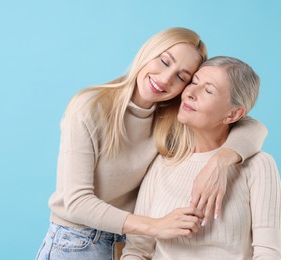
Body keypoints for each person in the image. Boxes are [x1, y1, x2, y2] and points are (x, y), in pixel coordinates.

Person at [35, 28, 268, 260]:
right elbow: (77, 202)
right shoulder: (90, 107)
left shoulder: (171, 119)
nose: (166, 78)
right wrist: (156, 226)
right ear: (149, 52)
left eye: (181, 77)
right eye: (164, 61)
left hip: (123, 244)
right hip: (76, 243)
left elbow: (252, 127)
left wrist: (219, 162)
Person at [122, 56, 281, 259]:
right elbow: (137, 250)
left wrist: (218, 162)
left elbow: (269, 254)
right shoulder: (163, 162)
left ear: (233, 114)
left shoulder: (259, 166)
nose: (190, 93)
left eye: (208, 90)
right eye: (194, 82)